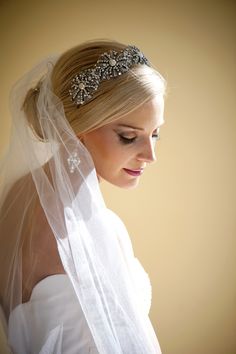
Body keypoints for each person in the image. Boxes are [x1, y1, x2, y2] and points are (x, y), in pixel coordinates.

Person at [0, 39, 166, 353]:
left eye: (155, 133)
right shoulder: (84, 230)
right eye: (129, 137)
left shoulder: (18, 192)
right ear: (76, 128)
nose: (150, 155)